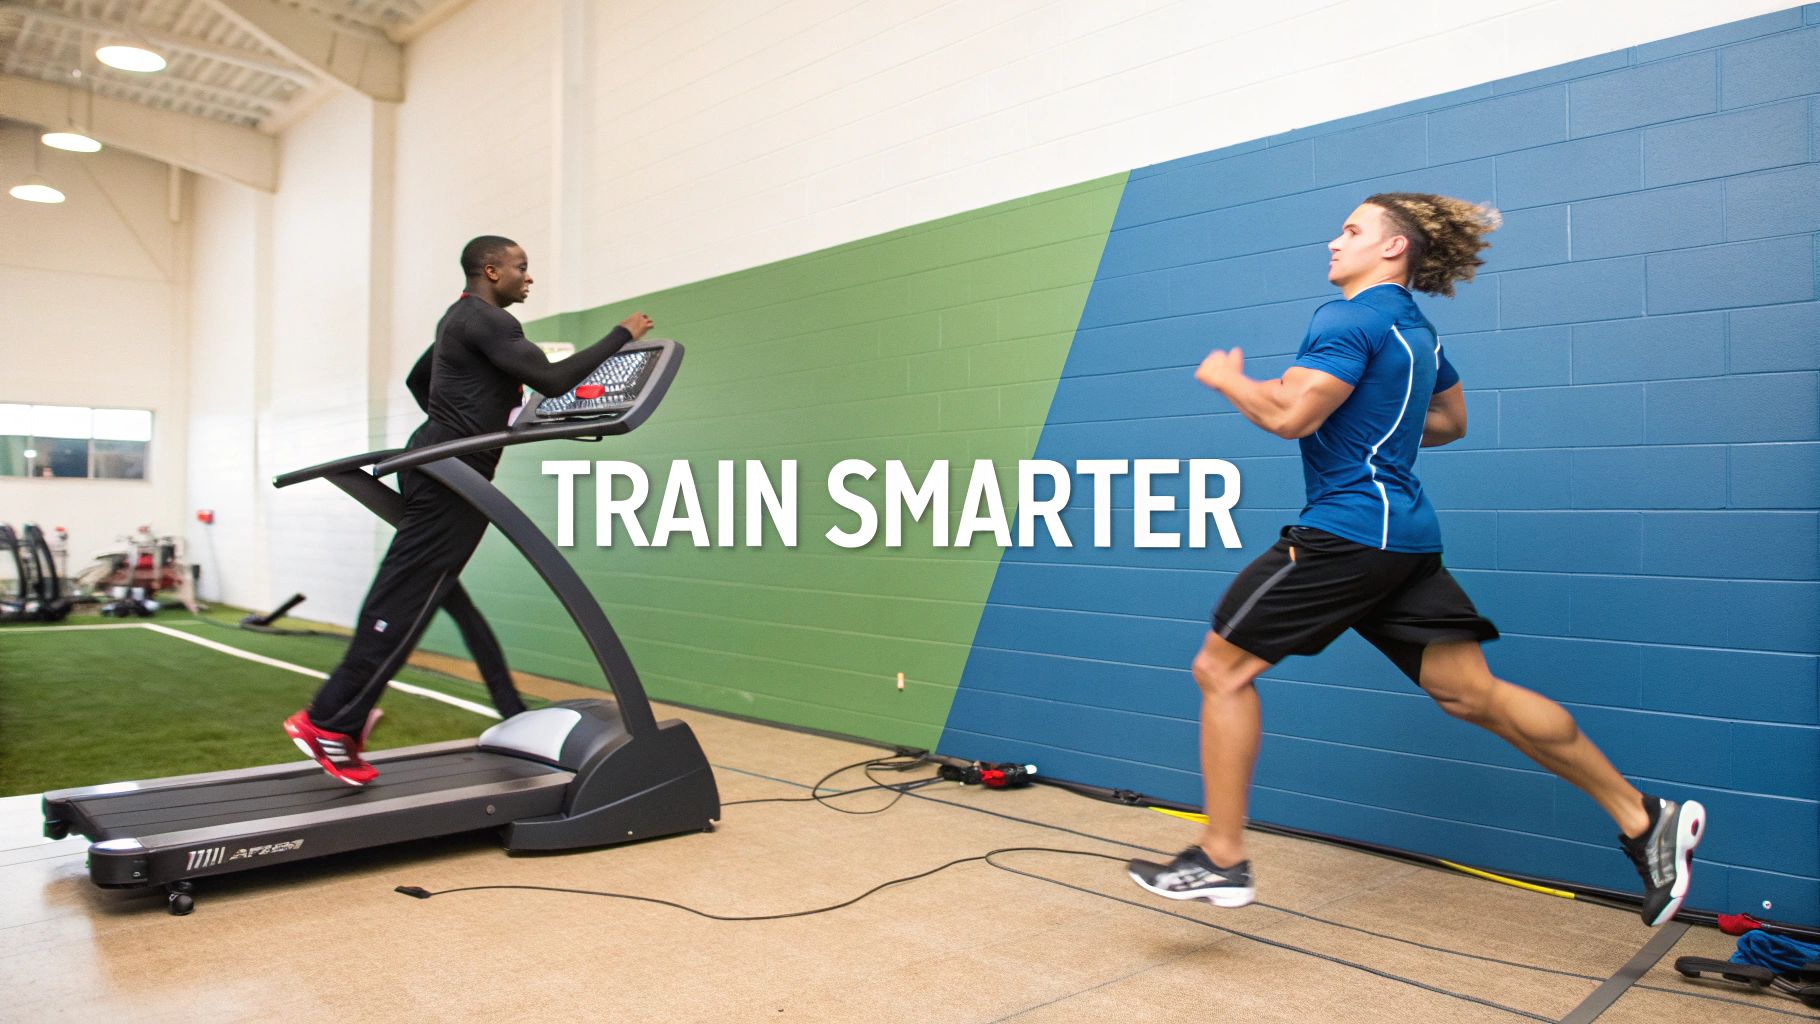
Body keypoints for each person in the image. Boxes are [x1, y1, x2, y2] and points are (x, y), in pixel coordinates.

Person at [1125, 193, 1706, 927]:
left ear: (1393, 248)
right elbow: (1449, 422)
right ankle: (1642, 816)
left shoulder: (1345, 317)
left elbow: (1288, 415)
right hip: (1408, 541)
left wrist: (1228, 380)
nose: (1336, 241)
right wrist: (1361, 421)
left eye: (1353, 230)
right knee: (1473, 695)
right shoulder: (1415, 330)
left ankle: (1220, 858)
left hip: (1346, 532)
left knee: (1220, 669)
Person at [284, 235, 654, 785]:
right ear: (490, 269)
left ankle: (345, 717)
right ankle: (328, 722)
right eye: (521, 268)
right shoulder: (492, 323)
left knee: (416, 592)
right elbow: (552, 380)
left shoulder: (457, 320)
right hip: (449, 475)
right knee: (408, 596)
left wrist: (455, 423)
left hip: (439, 463)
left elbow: (418, 380)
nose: (528, 278)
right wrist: (623, 333)